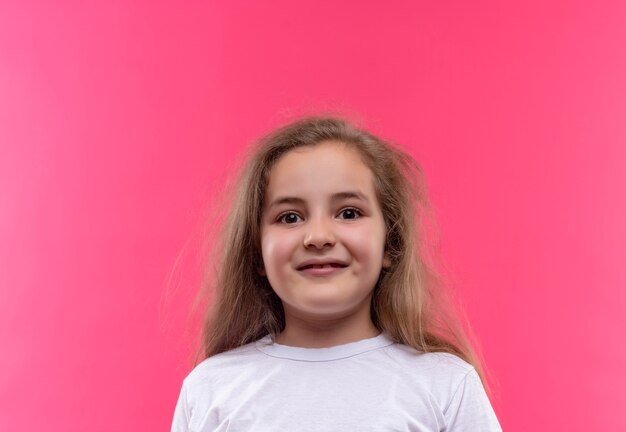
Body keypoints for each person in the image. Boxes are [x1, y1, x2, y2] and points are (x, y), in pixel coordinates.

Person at [171, 116, 502, 431]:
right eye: (289, 217)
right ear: (257, 252)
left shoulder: (446, 385)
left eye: (348, 212)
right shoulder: (211, 390)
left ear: (390, 244)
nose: (318, 236)